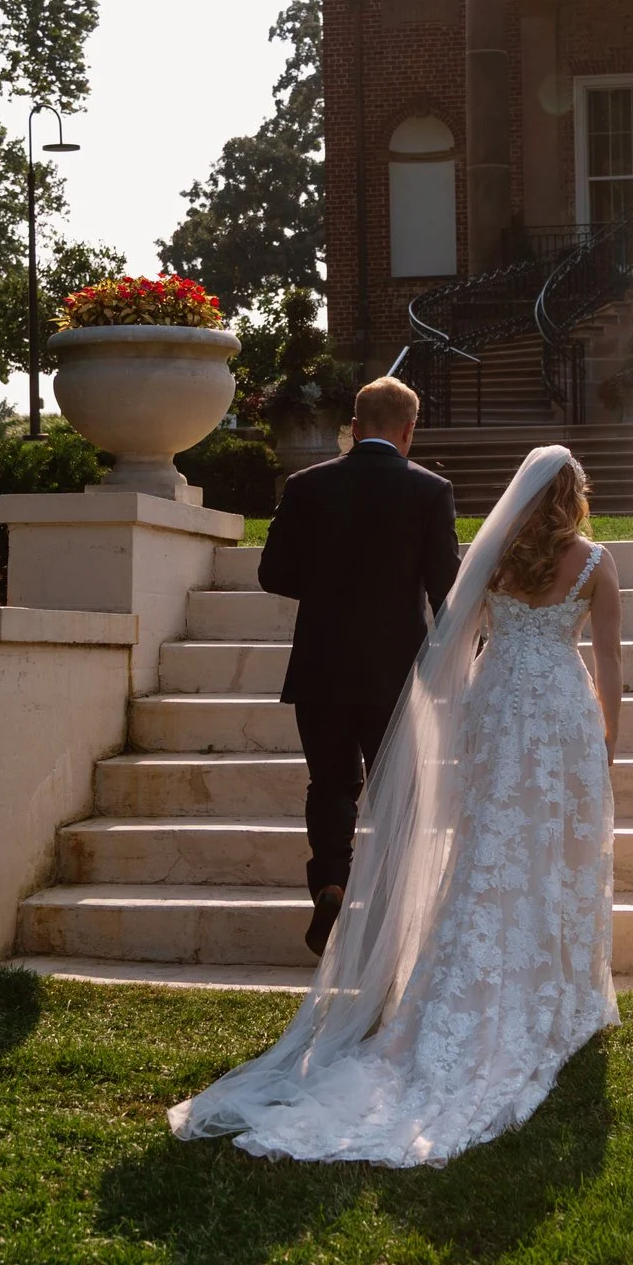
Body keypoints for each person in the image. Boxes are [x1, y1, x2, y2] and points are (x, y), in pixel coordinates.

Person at [170, 446, 624, 1167]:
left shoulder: (497, 558)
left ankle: (456, 991)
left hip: (499, 706)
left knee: (486, 848)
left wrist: (456, 713)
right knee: (557, 847)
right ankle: (561, 987)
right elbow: (610, 660)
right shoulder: (597, 563)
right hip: (562, 714)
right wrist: (608, 739)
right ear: (576, 495)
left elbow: (453, 638)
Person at [254, 375, 459, 957]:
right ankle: (397, 910)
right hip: (395, 669)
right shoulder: (430, 490)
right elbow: (446, 589)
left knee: (331, 783)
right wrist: (469, 654)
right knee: (399, 788)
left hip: (320, 664)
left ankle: (331, 882)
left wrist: (327, 588)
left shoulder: (305, 485)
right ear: (408, 429)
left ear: (354, 424)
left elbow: (272, 573)